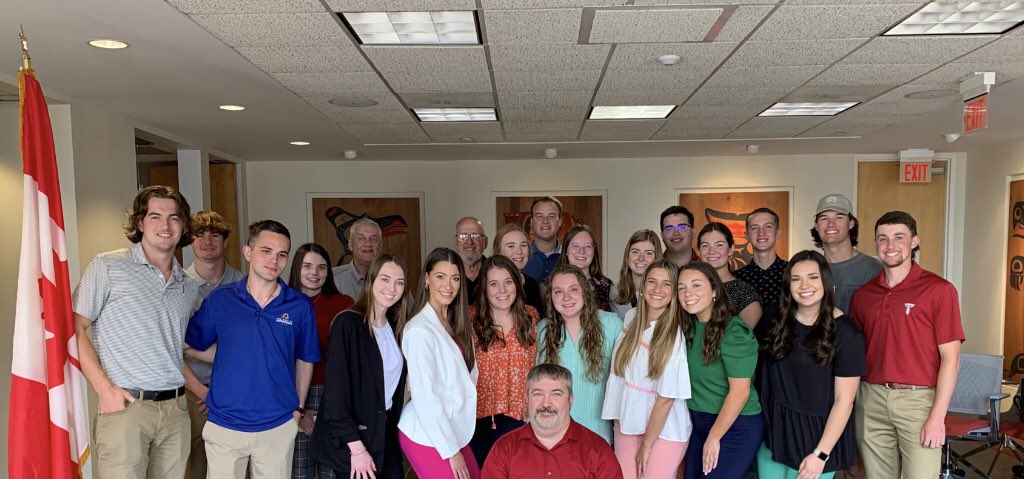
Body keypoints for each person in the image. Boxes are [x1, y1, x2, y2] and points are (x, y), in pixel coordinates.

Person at [73, 185, 200, 478]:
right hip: (127, 408)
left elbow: (173, 347)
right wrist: (105, 390)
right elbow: (73, 328)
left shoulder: (187, 286)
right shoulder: (107, 266)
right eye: (155, 217)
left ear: (183, 226)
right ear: (140, 223)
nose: (165, 226)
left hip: (177, 410)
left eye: (174, 218)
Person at [185, 220, 320, 478]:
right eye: (266, 251)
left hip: (278, 424)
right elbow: (190, 344)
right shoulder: (221, 299)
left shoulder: (299, 306)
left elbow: (305, 359)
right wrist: (224, 362)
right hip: (225, 423)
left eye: (282, 254)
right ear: (248, 252)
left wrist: (298, 409)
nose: (274, 260)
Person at [850, 211, 964, 479]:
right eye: (883, 238)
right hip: (870, 398)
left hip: (918, 401)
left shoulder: (939, 290)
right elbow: (854, 351)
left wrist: (937, 417)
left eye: (899, 237)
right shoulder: (864, 295)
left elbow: (952, 358)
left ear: (914, 242)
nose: (890, 246)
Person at [758, 250, 866, 479]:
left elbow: (844, 402)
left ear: (825, 281)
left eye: (813, 277)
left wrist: (820, 454)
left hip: (817, 439)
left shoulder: (847, 333)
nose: (804, 285)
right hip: (776, 432)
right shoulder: (773, 319)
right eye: (796, 279)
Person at [310, 253, 411, 479]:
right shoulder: (348, 323)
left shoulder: (397, 326)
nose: (392, 288)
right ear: (371, 280)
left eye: (399, 282)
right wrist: (356, 449)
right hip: (353, 440)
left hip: (384, 434)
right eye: (385, 279)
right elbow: (335, 396)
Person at [602, 259, 691, 479]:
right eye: (652, 281)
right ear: (642, 286)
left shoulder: (673, 333)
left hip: (664, 430)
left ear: (674, 291)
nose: (657, 290)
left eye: (666, 284)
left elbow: (667, 398)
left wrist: (648, 444)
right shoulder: (631, 317)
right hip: (627, 422)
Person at [398, 247, 481, 479]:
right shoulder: (419, 329)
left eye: (455, 278)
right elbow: (426, 396)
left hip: (453, 429)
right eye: (440, 276)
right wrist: (451, 452)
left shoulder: (456, 323)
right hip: (426, 432)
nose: (448, 285)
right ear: (426, 279)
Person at [678, 262, 763, 479]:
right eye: (681, 287)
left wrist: (714, 437)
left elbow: (740, 392)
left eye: (696, 285)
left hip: (735, 425)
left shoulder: (735, 332)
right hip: (699, 422)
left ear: (714, 291)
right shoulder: (687, 328)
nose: (688, 293)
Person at [183, 210, 245, 479]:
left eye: (215, 235)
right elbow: (170, 350)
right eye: (200, 235)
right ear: (190, 241)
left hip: (237, 392)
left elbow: (249, 349)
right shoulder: (177, 286)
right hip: (190, 393)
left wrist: (220, 391)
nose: (208, 241)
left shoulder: (246, 286)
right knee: (193, 467)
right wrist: (204, 392)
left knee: (237, 466)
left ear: (226, 241)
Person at [482, 364, 623, 479]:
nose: (546, 404)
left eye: (556, 394)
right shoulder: (503, 449)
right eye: (538, 394)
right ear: (527, 399)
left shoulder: (598, 450)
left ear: (570, 400)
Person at [286, 243, 354, 479]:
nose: (314, 273)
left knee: (331, 469)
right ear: (296, 268)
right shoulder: (281, 302)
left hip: (333, 395)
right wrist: (300, 410)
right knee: (299, 470)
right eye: (307, 266)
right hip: (292, 396)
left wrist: (328, 411)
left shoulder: (344, 305)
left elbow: (352, 359)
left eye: (321, 267)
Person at [537, 264, 622, 443]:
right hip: (553, 434)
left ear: (585, 291)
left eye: (573, 289)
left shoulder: (612, 325)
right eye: (558, 291)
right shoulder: (543, 329)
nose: (566, 297)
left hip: (599, 434)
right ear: (551, 297)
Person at [469, 256, 541, 465]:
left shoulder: (531, 317)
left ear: (517, 284)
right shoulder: (470, 318)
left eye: (508, 282)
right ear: (484, 288)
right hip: (477, 420)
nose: (502, 290)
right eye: (494, 284)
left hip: (520, 419)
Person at [810, 193, 881, 315]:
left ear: (851, 223)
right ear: (816, 225)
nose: (831, 224)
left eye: (839, 217)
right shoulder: (809, 268)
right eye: (824, 218)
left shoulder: (873, 268)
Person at [734, 207, 788, 341]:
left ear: (778, 232)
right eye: (754, 228)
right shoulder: (736, 278)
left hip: (786, 350)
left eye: (768, 227)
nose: (761, 233)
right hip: (748, 352)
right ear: (746, 235)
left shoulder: (793, 273)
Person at [697, 222, 763, 328]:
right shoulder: (691, 289)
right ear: (698, 252)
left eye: (719, 245)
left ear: (731, 250)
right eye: (705, 246)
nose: (711, 251)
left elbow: (745, 340)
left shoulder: (744, 293)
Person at [552, 224, 615, 312]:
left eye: (588, 246)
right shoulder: (550, 284)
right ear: (566, 249)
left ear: (594, 251)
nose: (581, 251)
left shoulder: (607, 286)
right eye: (575, 245)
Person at [492, 222, 545, 313]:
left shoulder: (532, 284)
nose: (519, 251)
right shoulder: (489, 284)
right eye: (511, 246)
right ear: (498, 251)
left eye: (523, 245)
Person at [610, 229, 662, 319]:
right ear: (627, 256)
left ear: (656, 258)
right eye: (635, 252)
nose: (641, 258)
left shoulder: (664, 292)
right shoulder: (615, 292)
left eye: (648, 253)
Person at [333, 217, 383, 299]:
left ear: (380, 246)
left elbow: (407, 310)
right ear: (351, 245)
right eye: (361, 238)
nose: (368, 243)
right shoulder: (334, 279)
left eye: (374, 238)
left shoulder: (394, 278)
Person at [523, 196, 563, 282]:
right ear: (532, 222)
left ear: (560, 221)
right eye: (539, 216)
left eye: (551, 216)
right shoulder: (520, 256)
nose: (545, 221)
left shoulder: (570, 256)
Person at [456, 216, 488, 302]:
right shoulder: (447, 274)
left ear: (485, 242)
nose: (469, 242)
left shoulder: (495, 271)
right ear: (456, 242)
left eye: (475, 236)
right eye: (463, 236)